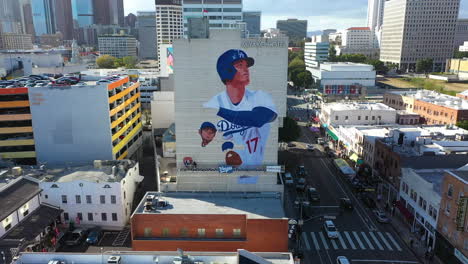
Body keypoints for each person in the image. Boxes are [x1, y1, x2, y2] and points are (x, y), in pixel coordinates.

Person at [203, 49, 277, 167]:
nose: (246, 69)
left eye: (246, 66)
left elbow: (257, 119)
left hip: (256, 172)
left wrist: (219, 111)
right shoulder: (214, 102)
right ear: (227, 70)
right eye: (240, 65)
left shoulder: (260, 96)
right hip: (228, 172)